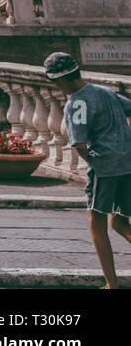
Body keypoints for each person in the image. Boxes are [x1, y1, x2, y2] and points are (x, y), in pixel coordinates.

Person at [48, 51, 131, 288]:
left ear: (61, 80)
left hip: (105, 169)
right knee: (119, 222)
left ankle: (111, 285)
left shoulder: (75, 103)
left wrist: (94, 160)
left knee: (97, 222)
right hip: (128, 164)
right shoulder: (105, 92)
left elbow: (80, 144)